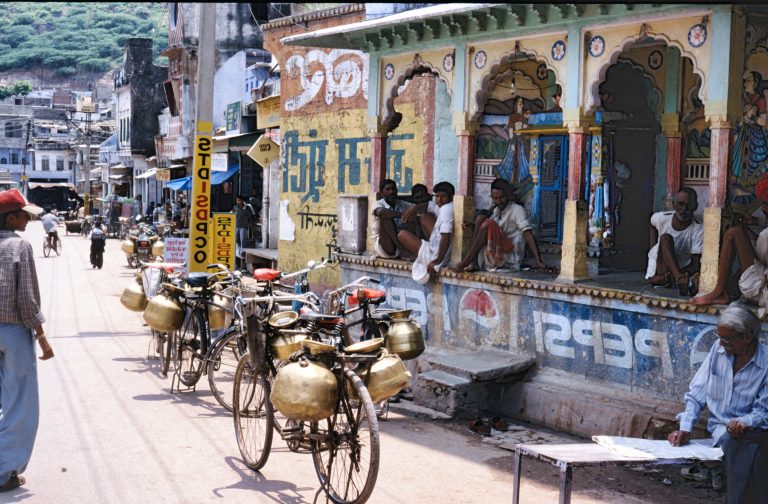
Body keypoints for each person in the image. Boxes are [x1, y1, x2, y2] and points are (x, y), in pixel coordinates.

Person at [668, 302, 768, 503]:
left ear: (747, 337)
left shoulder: (765, 362)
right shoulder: (718, 350)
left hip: (754, 429)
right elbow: (697, 393)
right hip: (720, 430)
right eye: (719, 337)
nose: (721, 344)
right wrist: (686, 427)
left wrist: (744, 422)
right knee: (741, 449)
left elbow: (763, 411)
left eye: (727, 339)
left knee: (748, 450)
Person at [0, 189, 54, 493]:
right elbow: (27, 299)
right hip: (13, 332)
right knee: (20, 403)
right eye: (23, 215)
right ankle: (3, 471)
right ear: (11, 218)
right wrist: (42, 338)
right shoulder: (19, 246)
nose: (27, 220)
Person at [449, 178, 556, 273]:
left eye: (502, 197)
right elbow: (486, 231)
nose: (499, 201)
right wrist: (473, 226)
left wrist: (539, 261)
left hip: (510, 256)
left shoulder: (517, 210)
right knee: (480, 219)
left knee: (486, 223)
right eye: (495, 198)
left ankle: (465, 263)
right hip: (497, 252)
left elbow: (528, 235)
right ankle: (471, 262)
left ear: (508, 196)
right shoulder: (496, 210)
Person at [692, 176, 768, 306]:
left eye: (766, 204)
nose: (762, 208)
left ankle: (719, 291)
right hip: (759, 283)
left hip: (761, 289)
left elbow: (759, 262)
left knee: (735, 232)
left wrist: (746, 240)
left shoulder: (765, 235)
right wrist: (754, 223)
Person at [646, 188, 704, 296]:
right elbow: (651, 224)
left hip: (680, 268)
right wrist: (653, 247)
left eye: (688, 205)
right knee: (665, 238)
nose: (684, 209)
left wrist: (677, 274)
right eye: (680, 204)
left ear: (695, 206)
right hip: (661, 266)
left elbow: (696, 264)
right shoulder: (661, 218)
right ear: (673, 205)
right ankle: (678, 280)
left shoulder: (699, 229)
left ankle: (671, 280)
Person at [398, 181, 455, 283]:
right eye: (437, 196)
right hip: (435, 249)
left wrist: (436, 263)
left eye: (443, 196)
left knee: (402, 234)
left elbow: (445, 237)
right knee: (425, 217)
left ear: (451, 197)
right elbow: (428, 205)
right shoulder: (445, 207)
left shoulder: (446, 209)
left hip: (434, 256)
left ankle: (413, 255)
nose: (439, 200)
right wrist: (413, 209)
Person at [371, 179, 413, 259]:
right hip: (384, 245)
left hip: (400, 241)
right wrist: (402, 215)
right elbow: (381, 212)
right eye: (388, 189)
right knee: (386, 217)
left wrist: (411, 212)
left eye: (393, 189)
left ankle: (405, 249)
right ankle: (402, 250)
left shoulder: (401, 204)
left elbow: (416, 208)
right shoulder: (378, 203)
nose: (391, 192)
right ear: (382, 192)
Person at [233, 195, 255, 269]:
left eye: (239, 200)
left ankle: (242, 253)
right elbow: (232, 214)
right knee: (237, 240)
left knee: (243, 240)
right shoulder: (235, 207)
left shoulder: (247, 207)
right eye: (237, 200)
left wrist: (245, 209)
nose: (238, 202)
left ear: (242, 200)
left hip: (244, 226)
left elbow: (251, 216)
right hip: (236, 226)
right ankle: (239, 252)